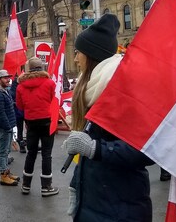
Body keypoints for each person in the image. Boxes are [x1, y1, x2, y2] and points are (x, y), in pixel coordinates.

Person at [62, 14, 155, 221]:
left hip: (120, 208)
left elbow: (145, 150)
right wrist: (75, 184)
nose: (75, 58)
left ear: (92, 55)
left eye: (79, 53)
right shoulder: (93, 89)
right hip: (95, 204)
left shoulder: (122, 90)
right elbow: (90, 150)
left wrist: (95, 148)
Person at [16, 57, 59, 197]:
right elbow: (54, 101)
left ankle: (26, 185)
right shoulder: (50, 83)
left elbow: (20, 106)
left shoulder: (21, 86)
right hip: (47, 121)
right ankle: (46, 187)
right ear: (42, 68)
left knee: (31, 153)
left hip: (31, 122)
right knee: (46, 154)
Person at [0, 69, 20, 186]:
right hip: (4, 127)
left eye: (8, 77)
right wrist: (7, 127)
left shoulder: (3, 91)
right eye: (5, 78)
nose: (8, 79)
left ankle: (7, 172)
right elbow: (0, 113)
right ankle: (3, 176)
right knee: (2, 152)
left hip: (7, 126)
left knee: (7, 151)